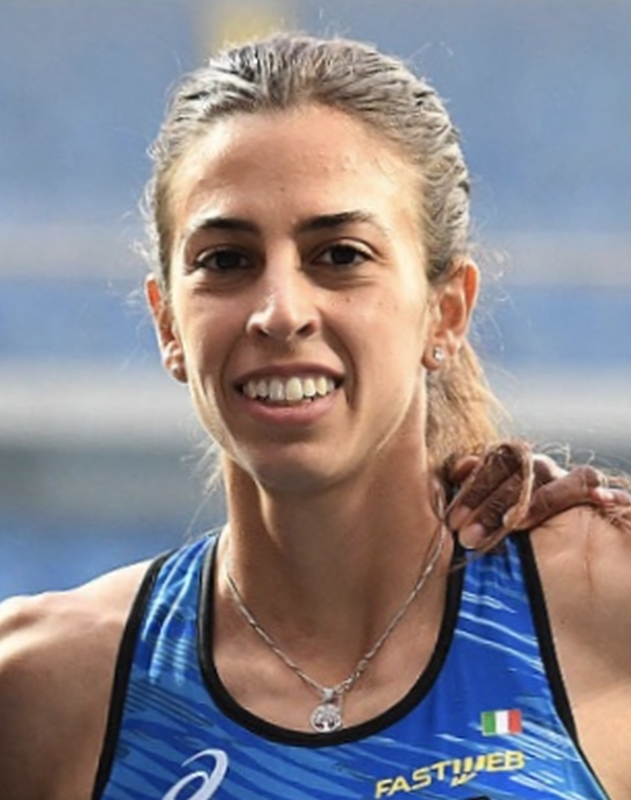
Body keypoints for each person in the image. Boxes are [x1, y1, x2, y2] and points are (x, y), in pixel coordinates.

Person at [0, 32, 629, 800]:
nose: (279, 311)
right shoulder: (43, 686)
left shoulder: (599, 607)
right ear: (167, 324)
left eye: (340, 255)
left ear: (446, 311)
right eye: (225, 260)